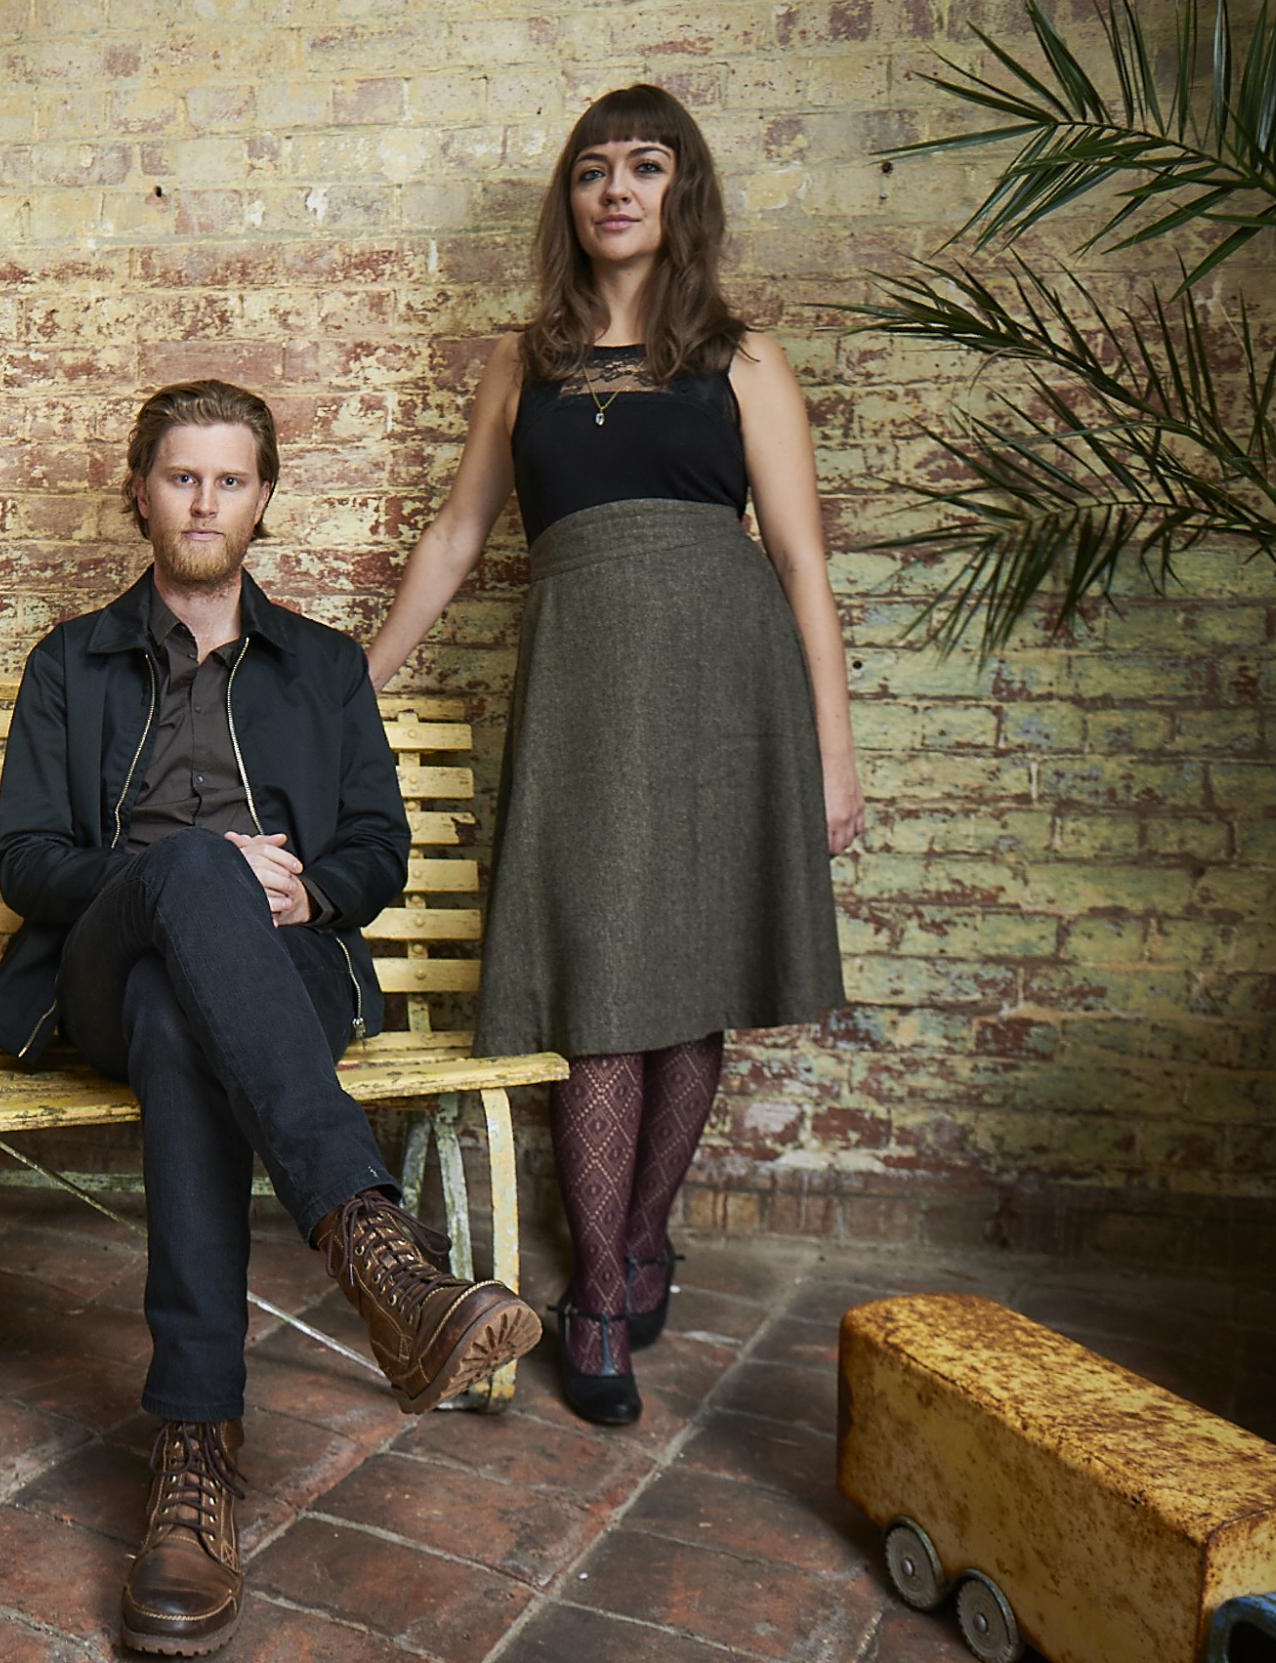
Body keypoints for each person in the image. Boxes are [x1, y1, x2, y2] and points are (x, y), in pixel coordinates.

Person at [0, 380, 543, 1656]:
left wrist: (303, 891)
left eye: (230, 480)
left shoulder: (327, 666)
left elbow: (379, 852)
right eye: (181, 476)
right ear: (138, 489)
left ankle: (193, 1444)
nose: (203, 502)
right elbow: (26, 856)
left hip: (276, 974)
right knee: (189, 871)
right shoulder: (70, 659)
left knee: (195, 1017)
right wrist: (187, 872)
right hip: (101, 973)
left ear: (265, 498)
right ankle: (378, 1253)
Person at [366, 85, 859, 1428]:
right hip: (586, 681)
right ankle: (595, 1292)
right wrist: (363, 675)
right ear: (571, 202)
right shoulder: (521, 360)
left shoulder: (744, 359)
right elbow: (461, 535)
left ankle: (642, 1237)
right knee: (600, 981)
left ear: (681, 191)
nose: (617, 190)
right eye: (593, 170)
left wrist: (832, 749)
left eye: (645, 167)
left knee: (691, 981)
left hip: (726, 682)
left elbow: (807, 563)